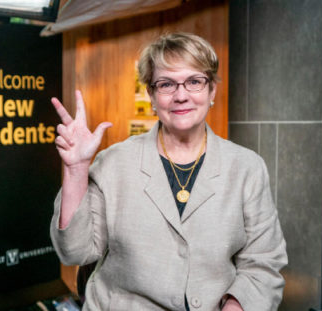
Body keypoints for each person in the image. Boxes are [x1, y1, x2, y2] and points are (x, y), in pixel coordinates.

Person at [49, 33, 287, 311]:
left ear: (212, 91)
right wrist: (76, 169)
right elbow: (74, 252)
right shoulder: (113, 162)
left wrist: (236, 305)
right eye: (166, 84)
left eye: (195, 82)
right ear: (151, 95)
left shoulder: (247, 167)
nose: (181, 95)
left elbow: (264, 263)